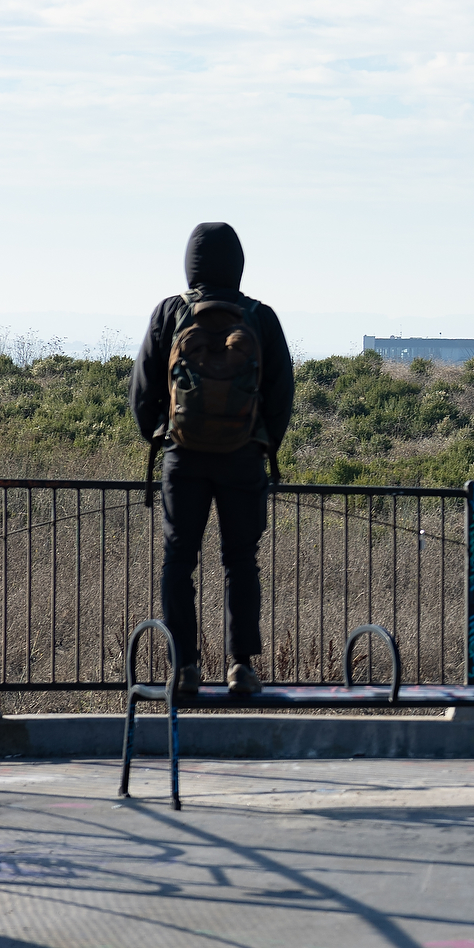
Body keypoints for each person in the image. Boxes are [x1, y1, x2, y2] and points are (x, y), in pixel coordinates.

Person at [131, 223, 294, 696]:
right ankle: (241, 666)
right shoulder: (259, 316)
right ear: (238, 265)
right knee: (240, 560)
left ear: (191, 264)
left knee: (179, 559)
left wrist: (162, 435)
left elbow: (142, 388)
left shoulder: (171, 312)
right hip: (244, 458)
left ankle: (184, 668)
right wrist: (262, 442)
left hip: (184, 457)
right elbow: (281, 392)